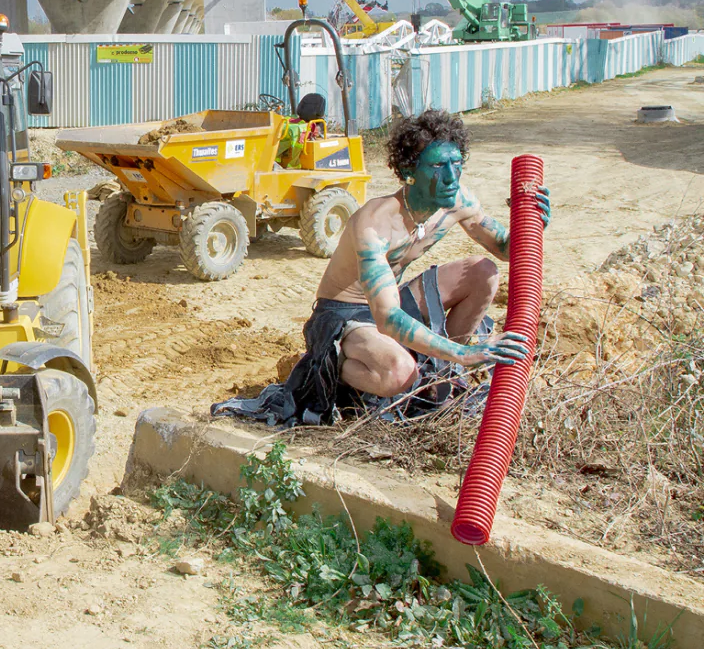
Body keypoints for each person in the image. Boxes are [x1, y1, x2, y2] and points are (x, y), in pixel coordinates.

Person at [215, 108, 550, 426]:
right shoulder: (374, 224)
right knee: (399, 373)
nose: (450, 176)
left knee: (484, 272)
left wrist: (531, 220)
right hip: (343, 316)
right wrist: (465, 351)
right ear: (409, 174)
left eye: (456, 163)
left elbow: (506, 249)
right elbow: (388, 317)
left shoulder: (458, 201)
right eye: (436, 166)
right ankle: (329, 367)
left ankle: (442, 373)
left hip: (391, 298)